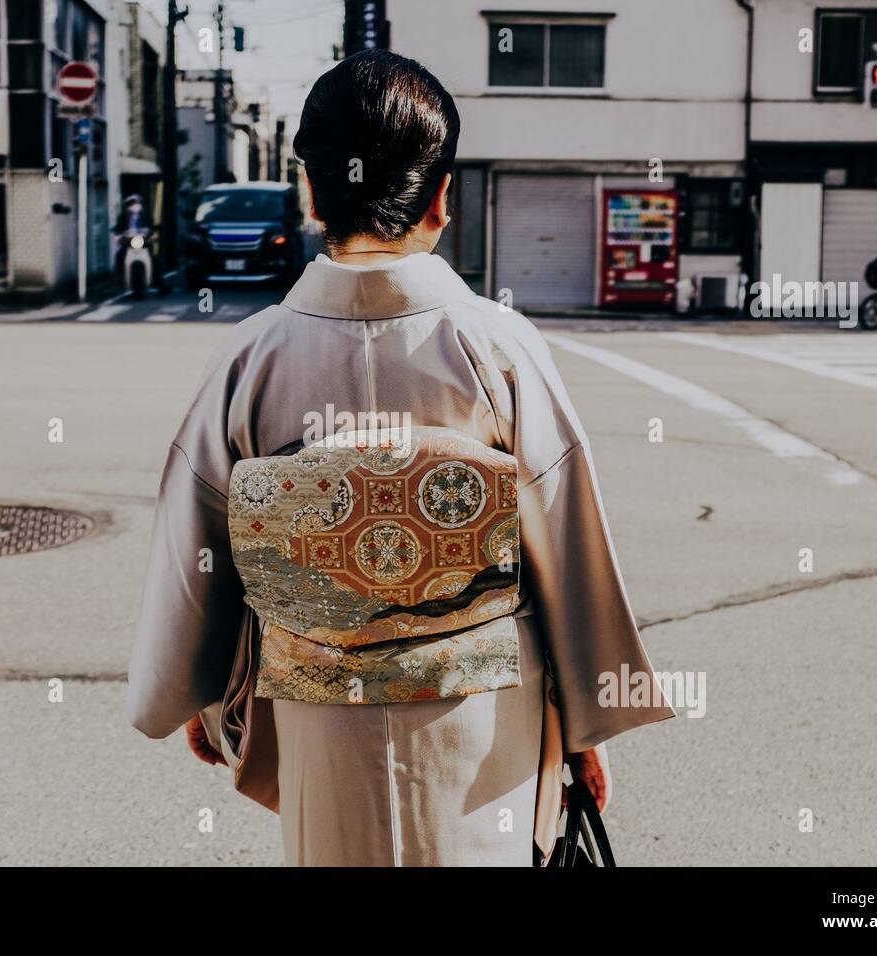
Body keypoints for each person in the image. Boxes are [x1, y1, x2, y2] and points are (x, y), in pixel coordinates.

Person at [127, 49, 674, 867]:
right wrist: (588, 723)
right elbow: (567, 542)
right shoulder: (499, 345)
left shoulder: (251, 357)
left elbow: (195, 551)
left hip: (319, 710)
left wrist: (202, 698)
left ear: (312, 192)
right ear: (443, 196)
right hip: (483, 715)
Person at [113, 194, 145, 276]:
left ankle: (157, 282)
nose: (136, 206)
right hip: (129, 242)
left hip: (144, 242)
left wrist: (153, 234)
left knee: (154, 258)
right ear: (129, 207)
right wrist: (117, 235)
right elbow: (118, 228)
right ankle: (120, 277)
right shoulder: (123, 216)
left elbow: (151, 226)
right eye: (133, 204)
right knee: (119, 255)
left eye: (137, 204)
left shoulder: (145, 216)